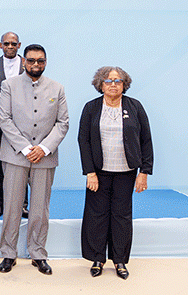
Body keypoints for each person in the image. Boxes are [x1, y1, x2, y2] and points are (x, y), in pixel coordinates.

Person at [0, 44, 68, 276]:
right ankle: (8, 253)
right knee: (12, 206)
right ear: (23, 61)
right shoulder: (9, 86)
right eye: (31, 60)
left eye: (40, 60)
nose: (35, 64)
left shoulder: (57, 88)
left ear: (45, 62)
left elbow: (62, 123)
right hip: (16, 155)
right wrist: (27, 148)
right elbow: (4, 119)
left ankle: (38, 253)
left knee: (39, 208)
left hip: (44, 158)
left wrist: (44, 148)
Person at [78, 66, 153, 280]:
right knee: (97, 215)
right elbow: (83, 141)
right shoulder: (91, 108)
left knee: (121, 216)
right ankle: (97, 259)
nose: (113, 84)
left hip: (126, 171)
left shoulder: (135, 107)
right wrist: (89, 172)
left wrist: (144, 172)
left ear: (124, 84)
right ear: (100, 84)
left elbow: (146, 140)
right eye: (108, 81)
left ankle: (119, 260)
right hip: (99, 172)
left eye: (118, 81)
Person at [0, 32, 28, 218]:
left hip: (21, 124)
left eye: (14, 44)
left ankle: (22, 204)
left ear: (19, 45)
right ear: (0, 45)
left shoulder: (27, 64)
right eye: (6, 43)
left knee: (22, 165)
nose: (10, 46)